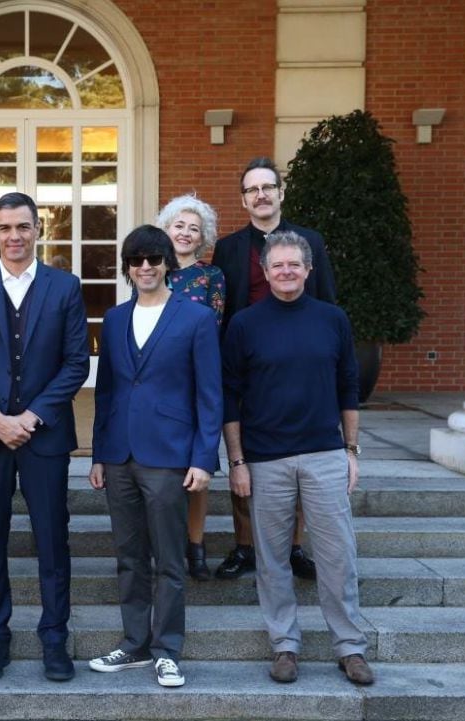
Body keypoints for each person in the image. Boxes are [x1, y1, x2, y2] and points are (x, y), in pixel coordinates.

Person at [0, 192, 89, 683]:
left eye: (23, 227)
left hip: (44, 438)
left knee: (53, 540)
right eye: (4, 228)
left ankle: (54, 637)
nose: (14, 237)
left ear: (37, 230)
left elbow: (76, 363)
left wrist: (31, 416)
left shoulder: (64, 287)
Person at [222, 231, 372, 686]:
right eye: (277, 265)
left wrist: (350, 449)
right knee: (271, 560)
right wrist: (237, 461)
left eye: (294, 264)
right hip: (266, 459)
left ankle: (350, 648)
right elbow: (230, 396)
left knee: (337, 555)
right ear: (265, 273)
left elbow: (349, 385)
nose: (286, 272)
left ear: (308, 270)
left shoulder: (333, 319)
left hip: (325, 453)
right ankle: (284, 645)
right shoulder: (244, 324)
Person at [87, 225, 222, 687]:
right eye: (136, 259)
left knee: (168, 558)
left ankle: (167, 649)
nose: (145, 267)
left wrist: (204, 459)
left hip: (168, 455)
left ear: (167, 264)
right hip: (120, 454)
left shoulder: (196, 318)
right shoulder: (115, 319)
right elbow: (106, 392)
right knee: (128, 555)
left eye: (153, 259)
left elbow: (210, 394)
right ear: (127, 267)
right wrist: (99, 455)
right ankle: (135, 644)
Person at [211, 157, 336, 582]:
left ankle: (294, 546)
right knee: (242, 453)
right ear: (244, 200)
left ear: (281, 193)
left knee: (297, 454)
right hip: (246, 362)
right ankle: (245, 545)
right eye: (252, 189)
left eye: (268, 187)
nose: (261, 195)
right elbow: (222, 309)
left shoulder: (310, 242)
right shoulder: (229, 248)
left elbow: (327, 302)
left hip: (299, 366)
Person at [156, 194, 225, 581]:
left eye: (193, 228)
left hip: (196, 378)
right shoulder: (152, 271)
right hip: (158, 383)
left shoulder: (211, 277)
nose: (184, 232)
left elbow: (212, 327)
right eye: (178, 225)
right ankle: (166, 546)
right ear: (166, 229)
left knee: (199, 467)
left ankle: (196, 547)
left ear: (202, 238)